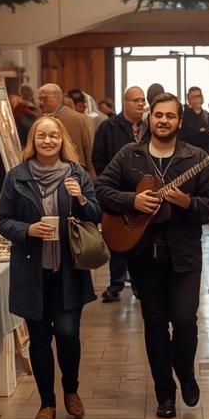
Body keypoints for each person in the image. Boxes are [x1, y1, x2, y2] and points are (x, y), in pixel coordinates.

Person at [96, 93, 209, 418]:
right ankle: (164, 393)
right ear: (150, 119)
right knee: (154, 324)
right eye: (158, 115)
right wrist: (131, 202)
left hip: (184, 256)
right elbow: (101, 189)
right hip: (142, 255)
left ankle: (186, 373)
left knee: (184, 321)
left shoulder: (196, 157)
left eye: (170, 116)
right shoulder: (130, 155)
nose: (163, 121)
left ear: (180, 121)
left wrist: (186, 203)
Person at [0, 116, 102, 419]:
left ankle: (71, 390)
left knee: (68, 334)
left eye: (53, 135)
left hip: (69, 271)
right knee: (40, 340)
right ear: (33, 141)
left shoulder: (76, 174)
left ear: (61, 140)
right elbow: (2, 220)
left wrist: (80, 197)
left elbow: (95, 214)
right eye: (41, 136)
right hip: (32, 273)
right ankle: (47, 403)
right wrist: (28, 229)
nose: (47, 141)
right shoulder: (16, 177)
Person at [91, 86, 147, 302]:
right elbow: (98, 159)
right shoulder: (109, 127)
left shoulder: (148, 128)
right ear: (125, 102)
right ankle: (116, 285)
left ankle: (139, 286)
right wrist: (111, 184)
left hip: (143, 194)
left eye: (143, 100)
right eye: (136, 100)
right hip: (116, 195)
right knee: (117, 241)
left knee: (140, 241)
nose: (141, 104)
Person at [38, 83, 94, 176]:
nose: (41, 103)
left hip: (74, 173)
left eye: (44, 99)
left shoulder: (77, 119)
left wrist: (91, 175)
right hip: (46, 173)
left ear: (57, 98)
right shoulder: (39, 120)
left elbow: (88, 149)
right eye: (39, 99)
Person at [179, 86, 209, 154]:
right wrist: (206, 132)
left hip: (207, 152)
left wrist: (203, 131)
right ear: (188, 99)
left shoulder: (208, 116)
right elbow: (183, 136)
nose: (196, 99)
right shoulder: (184, 116)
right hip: (188, 153)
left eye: (198, 96)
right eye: (193, 97)